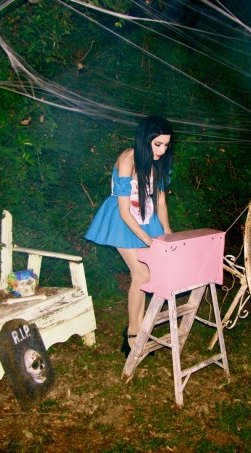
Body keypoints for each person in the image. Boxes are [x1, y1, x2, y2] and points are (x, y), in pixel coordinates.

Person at [84, 116, 174, 357]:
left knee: (147, 275)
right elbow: (124, 212)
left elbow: (161, 201)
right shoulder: (127, 160)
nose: (162, 150)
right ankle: (133, 334)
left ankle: (140, 328)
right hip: (122, 220)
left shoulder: (158, 162)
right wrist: (147, 239)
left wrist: (167, 231)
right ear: (145, 140)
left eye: (166, 145)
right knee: (141, 273)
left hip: (147, 215)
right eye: (158, 144)